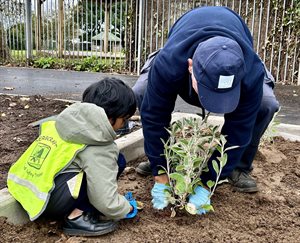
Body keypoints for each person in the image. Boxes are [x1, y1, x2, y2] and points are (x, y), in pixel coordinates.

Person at [133, 6, 279, 213]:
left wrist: (207, 183)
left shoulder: (250, 70)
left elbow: (239, 130)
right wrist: (161, 174)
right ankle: (164, 159)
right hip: (182, 45)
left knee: (266, 105)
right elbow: (154, 115)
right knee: (141, 91)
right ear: (190, 67)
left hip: (237, 54)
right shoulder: (170, 63)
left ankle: (239, 168)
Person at [7, 77, 138, 236]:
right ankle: (77, 217)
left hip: (23, 189)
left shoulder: (61, 122)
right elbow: (104, 200)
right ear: (110, 118)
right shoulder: (98, 145)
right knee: (118, 161)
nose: (124, 124)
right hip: (50, 203)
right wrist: (126, 207)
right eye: (124, 119)